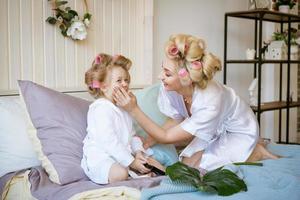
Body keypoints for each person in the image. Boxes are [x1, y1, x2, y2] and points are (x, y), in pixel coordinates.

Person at [113, 34, 279, 173]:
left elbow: (167, 137)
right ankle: (242, 151)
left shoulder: (209, 100)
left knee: (199, 171)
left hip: (237, 129)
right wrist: (147, 142)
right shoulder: (170, 89)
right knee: (186, 163)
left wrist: (133, 109)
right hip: (212, 128)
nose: (160, 76)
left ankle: (254, 151)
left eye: (167, 73)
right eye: (162, 69)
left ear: (186, 78)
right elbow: (175, 120)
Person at [81, 53, 163, 184]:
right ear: (103, 86)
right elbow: (109, 141)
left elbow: (132, 136)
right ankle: (132, 176)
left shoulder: (124, 108)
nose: (125, 84)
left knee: (155, 165)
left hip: (123, 157)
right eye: (119, 81)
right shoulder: (100, 108)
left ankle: (137, 173)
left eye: (127, 80)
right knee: (120, 173)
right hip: (102, 158)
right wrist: (131, 162)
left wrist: (138, 152)